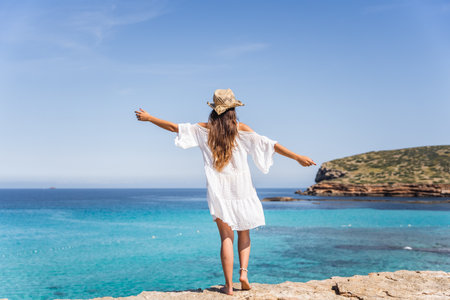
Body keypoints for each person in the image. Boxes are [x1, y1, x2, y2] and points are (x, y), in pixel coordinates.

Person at [135, 88, 316, 296]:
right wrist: (297, 157)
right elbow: (271, 145)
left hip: (218, 189)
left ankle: (228, 286)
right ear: (233, 110)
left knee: (226, 237)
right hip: (242, 187)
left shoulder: (204, 129)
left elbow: (173, 127)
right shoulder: (241, 129)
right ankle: (244, 274)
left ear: (214, 109)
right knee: (244, 232)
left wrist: (149, 118)